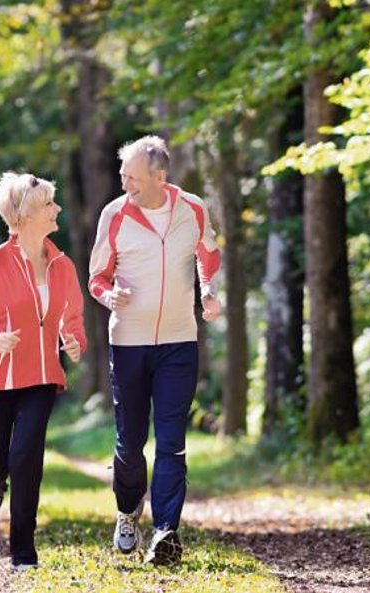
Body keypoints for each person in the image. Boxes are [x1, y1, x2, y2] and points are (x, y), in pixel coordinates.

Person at [88, 135, 222, 566]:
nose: (125, 182)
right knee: (130, 444)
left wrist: (209, 291)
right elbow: (96, 277)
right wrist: (110, 296)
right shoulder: (115, 214)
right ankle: (128, 512)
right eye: (123, 175)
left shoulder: (193, 208)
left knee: (172, 440)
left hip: (180, 340)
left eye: (133, 176)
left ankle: (166, 530)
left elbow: (208, 253)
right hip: (128, 342)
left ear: (159, 176)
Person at [0, 171, 86, 571]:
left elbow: (72, 316)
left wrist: (73, 339)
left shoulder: (62, 265)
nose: (57, 208)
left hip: (43, 377)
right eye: (49, 203)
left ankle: (23, 553)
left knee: (27, 459)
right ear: (26, 214)